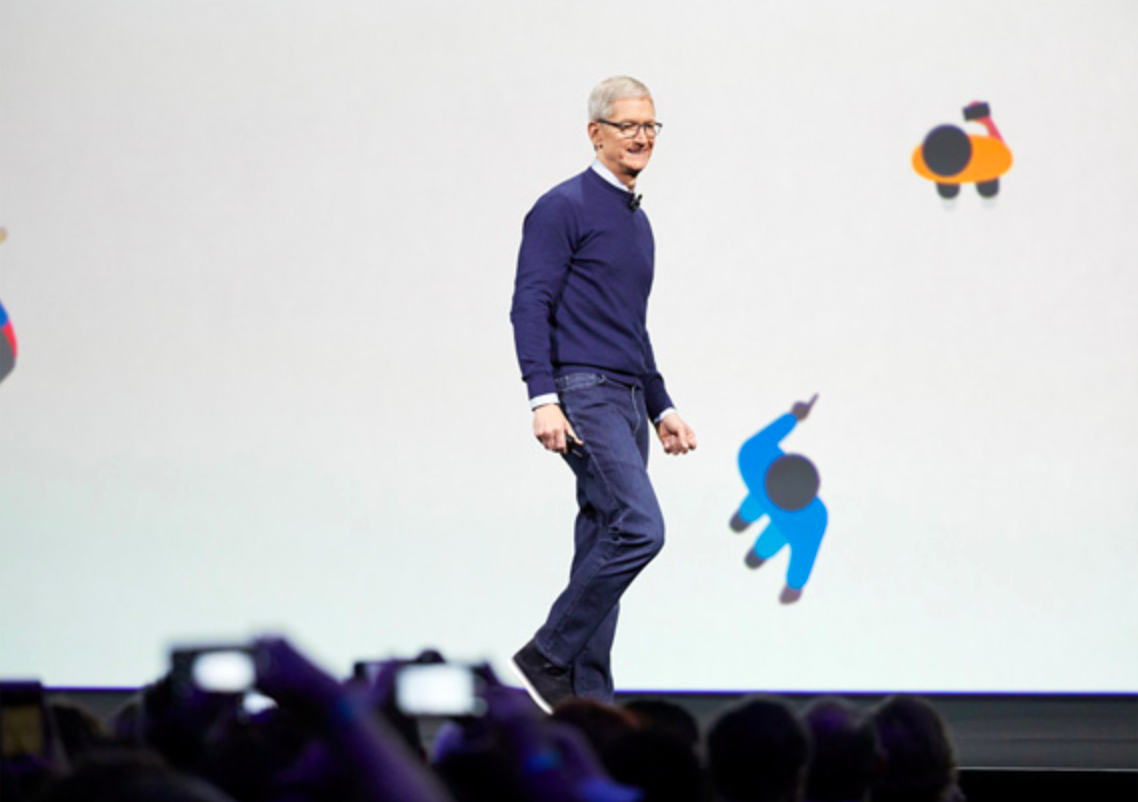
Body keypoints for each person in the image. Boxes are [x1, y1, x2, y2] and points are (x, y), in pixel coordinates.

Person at [509, 75, 697, 712]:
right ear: (596, 133)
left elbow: (630, 326)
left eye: (650, 126)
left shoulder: (636, 223)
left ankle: (587, 704)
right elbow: (529, 303)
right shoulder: (562, 206)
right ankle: (548, 654)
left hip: (624, 399)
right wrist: (542, 397)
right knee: (640, 527)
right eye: (628, 126)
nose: (642, 137)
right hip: (582, 393)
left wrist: (661, 404)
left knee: (602, 536)